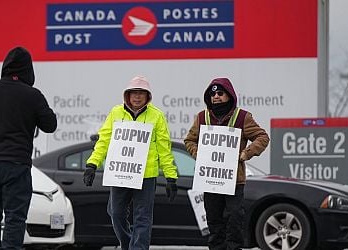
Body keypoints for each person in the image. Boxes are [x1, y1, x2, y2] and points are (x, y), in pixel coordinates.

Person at [0, 46, 57, 250]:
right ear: (28, 70)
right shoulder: (32, 95)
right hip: (15, 164)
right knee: (14, 216)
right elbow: (50, 125)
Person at [83, 76, 178, 250]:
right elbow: (104, 141)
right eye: (134, 92)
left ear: (147, 96)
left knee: (143, 218)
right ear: (127, 95)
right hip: (120, 173)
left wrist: (171, 177)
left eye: (141, 93)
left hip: (146, 176)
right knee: (116, 213)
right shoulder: (116, 112)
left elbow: (164, 148)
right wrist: (92, 164)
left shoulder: (156, 116)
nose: (137, 96)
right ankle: (127, 244)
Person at [184, 77, 269, 250]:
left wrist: (246, 153)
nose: (216, 96)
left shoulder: (242, 117)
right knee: (214, 221)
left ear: (229, 95)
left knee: (234, 219)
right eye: (213, 94)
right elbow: (189, 140)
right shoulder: (202, 117)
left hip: (234, 180)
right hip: (210, 180)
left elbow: (262, 137)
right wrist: (198, 153)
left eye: (220, 93)